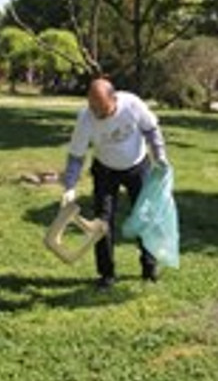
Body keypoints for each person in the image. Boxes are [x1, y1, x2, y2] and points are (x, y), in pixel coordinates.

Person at [60, 77, 169, 289]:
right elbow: (76, 156)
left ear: (114, 99)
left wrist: (160, 156)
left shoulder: (132, 104)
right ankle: (106, 274)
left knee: (144, 217)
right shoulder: (86, 118)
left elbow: (151, 129)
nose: (96, 113)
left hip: (137, 166)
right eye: (92, 106)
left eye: (101, 108)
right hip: (105, 170)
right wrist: (70, 186)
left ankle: (149, 267)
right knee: (102, 224)